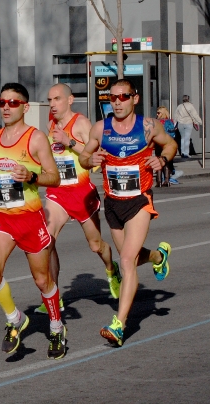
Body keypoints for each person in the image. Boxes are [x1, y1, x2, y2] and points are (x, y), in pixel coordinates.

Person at [79, 79, 177, 347]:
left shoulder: (148, 126)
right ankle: (158, 256)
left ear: (135, 98)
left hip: (139, 200)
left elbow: (170, 144)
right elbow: (83, 158)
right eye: (113, 98)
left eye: (124, 97)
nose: (118, 102)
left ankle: (119, 325)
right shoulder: (101, 128)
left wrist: (162, 159)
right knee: (130, 259)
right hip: (113, 202)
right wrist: (91, 160)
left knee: (125, 261)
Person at [0, 83, 66, 360]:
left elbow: (55, 177)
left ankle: (56, 326)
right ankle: (15, 319)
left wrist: (32, 177)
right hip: (2, 217)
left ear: (25, 107)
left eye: (13, 103)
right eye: (2, 102)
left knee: (42, 280)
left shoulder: (36, 138)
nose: (6, 107)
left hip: (30, 219)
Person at [34, 84, 120, 316]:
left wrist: (69, 140)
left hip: (82, 193)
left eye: (57, 99)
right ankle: (54, 297)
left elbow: (97, 154)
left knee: (95, 245)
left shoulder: (82, 123)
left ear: (70, 100)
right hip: (59, 193)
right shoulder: (50, 125)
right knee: (47, 241)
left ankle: (112, 270)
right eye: (50, 99)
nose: (52, 104)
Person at [155, 106, 175, 187]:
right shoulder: (169, 122)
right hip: (166, 144)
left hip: (160, 144)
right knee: (165, 162)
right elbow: (173, 134)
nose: (157, 114)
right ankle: (165, 180)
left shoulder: (158, 122)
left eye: (158, 113)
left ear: (163, 113)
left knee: (160, 161)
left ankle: (160, 181)